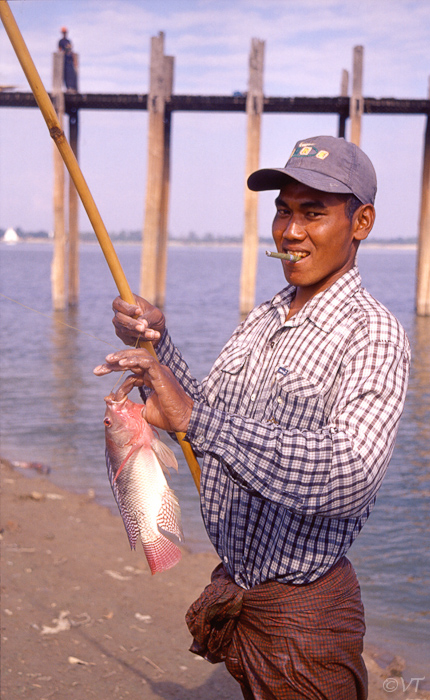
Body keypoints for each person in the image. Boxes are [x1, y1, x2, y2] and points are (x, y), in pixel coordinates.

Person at [94, 135, 410, 700]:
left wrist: (196, 418)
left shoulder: (375, 333)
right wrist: (159, 351)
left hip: (305, 613)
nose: (290, 231)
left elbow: (350, 474)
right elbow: (208, 417)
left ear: (361, 222)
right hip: (242, 589)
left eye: (314, 213)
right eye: (284, 211)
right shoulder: (262, 319)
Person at [58, 27, 77, 92]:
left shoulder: (68, 41)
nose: (64, 34)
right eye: (63, 32)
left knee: (71, 75)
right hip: (64, 61)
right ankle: (66, 88)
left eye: (65, 32)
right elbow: (59, 50)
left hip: (69, 61)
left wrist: (74, 61)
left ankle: (71, 88)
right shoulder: (61, 41)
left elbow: (71, 51)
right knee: (65, 75)